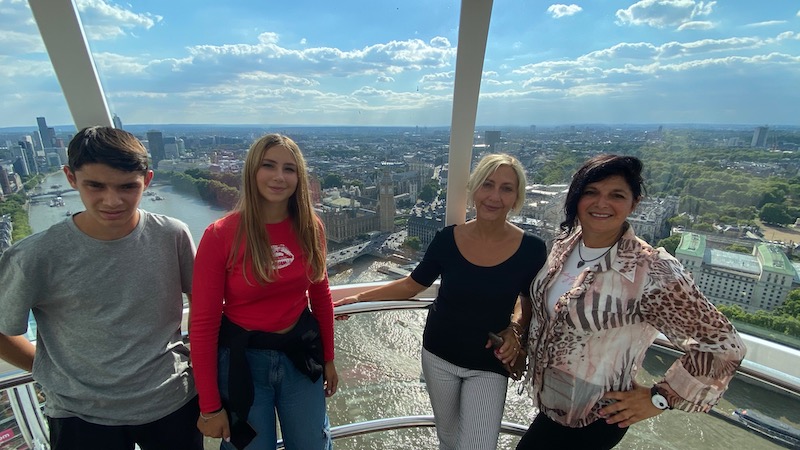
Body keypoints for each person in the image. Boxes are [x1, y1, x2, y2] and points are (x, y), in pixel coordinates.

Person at [515, 154, 747, 449]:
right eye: (591, 192)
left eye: (616, 195)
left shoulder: (650, 270)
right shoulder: (565, 246)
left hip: (594, 419)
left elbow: (725, 346)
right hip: (551, 407)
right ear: (576, 199)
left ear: (634, 203)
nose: (601, 203)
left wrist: (660, 398)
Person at [0, 126, 202, 450]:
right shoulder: (35, 256)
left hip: (171, 401)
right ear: (70, 177)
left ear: (147, 181)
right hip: (80, 415)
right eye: (95, 185)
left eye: (127, 187)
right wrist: (46, 368)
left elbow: (203, 310)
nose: (112, 200)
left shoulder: (172, 235)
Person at [335, 153, 547, 450]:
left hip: (489, 362)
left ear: (517, 197)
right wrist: (358, 297)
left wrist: (515, 326)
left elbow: (527, 298)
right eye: (487, 185)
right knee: (448, 439)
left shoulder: (532, 249)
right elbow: (412, 284)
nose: (494, 196)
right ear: (474, 189)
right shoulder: (447, 239)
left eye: (506, 188)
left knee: (478, 446)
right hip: (439, 355)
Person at [190, 133, 337, 450]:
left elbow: (321, 296)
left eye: (289, 168)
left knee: (313, 443)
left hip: (300, 356)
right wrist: (210, 406)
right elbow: (203, 324)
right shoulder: (220, 236)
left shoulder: (311, 227)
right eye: (268, 165)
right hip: (245, 363)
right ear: (252, 171)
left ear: (299, 177)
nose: (279, 177)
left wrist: (329, 358)